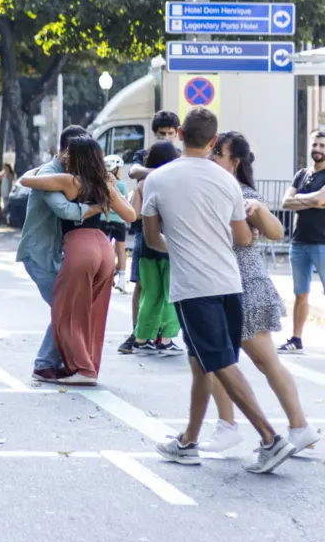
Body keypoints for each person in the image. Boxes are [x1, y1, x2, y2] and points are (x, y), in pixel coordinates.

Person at [147, 108, 297, 474]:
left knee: (220, 364)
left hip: (194, 287)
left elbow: (152, 240)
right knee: (203, 363)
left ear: (179, 134)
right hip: (231, 285)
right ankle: (187, 441)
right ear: (213, 141)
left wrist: (179, 244)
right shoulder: (228, 181)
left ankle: (270, 438)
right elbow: (244, 237)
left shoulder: (158, 179)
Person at [199, 131, 320, 456]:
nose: (212, 159)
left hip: (241, 287)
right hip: (234, 286)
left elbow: (272, 232)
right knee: (229, 362)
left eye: (218, 155)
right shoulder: (227, 190)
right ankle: (294, 427)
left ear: (234, 162)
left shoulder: (239, 193)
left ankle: (240, 427)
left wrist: (258, 212)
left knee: (238, 361)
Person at [20, 136, 137, 385]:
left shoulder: (70, 180)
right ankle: (87, 366)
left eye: (70, 154)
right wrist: (107, 196)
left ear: (76, 157)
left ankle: (80, 369)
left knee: (68, 311)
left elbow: (26, 180)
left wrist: (41, 169)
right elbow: (130, 214)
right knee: (93, 311)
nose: (66, 158)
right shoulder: (105, 183)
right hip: (105, 248)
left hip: (80, 247)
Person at [16, 125, 96, 383]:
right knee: (65, 308)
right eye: (75, 154)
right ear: (64, 152)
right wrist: (98, 206)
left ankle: (57, 360)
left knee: (66, 308)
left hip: (52, 254)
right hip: (38, 253)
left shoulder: (62, 173)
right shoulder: (50, 175)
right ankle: (45, 363)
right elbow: (66, 211)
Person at [119, 111, 181, 354]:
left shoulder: (180, 158)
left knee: (160, 288)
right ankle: (140, 333)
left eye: (170, 133)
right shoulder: (146, 157)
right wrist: (162, 171)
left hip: (159, 233)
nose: (166, 136)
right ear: (154, 133)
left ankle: (152, 335)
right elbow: (133, 170)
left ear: (177, 133)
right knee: (143, 287)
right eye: (162, 133)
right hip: (151, 233)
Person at [277, 129, 325, 354]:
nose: (317, 149)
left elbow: (319, 198)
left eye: (322, 146)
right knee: (300, 294)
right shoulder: (301, 174)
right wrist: (312, 201)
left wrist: (306, 199)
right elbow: (285, 203)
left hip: (322, 244)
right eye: (315, 145)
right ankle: (296, 339)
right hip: (299, 243)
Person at [103, 155, 129, 292]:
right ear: (115, 169)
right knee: (121, 249)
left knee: (105, 248)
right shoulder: (121, 185)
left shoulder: (101, 183)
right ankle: (121, 279)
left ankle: (106, 276)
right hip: (118, 221)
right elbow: (124, 203)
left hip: (103, 220)